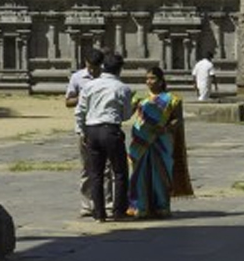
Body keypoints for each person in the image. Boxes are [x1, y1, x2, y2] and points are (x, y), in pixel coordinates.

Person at [66, 48, 134, 222]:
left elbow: (79, 111)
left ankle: (99, 213)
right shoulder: (123, 88)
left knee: (95, 173)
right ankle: (118, 211)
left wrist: (81, 131)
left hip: (91, 130)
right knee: (119, 172)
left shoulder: (89, 85)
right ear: (119, 69)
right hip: (111, 130)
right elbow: (126, 115)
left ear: (103, 67)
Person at [128, 66, 192, 219]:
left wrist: (166, 128)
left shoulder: (172, 99)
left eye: (152, 78)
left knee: (161, 173)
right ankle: (140, 207)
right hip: (141, 140)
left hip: (161, 141)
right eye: (147, 78)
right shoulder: (139, 98)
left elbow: (178, 120)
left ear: (161, 80)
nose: (149, 82)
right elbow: (127, 113)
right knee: (139, 173)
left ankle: (162, 206)